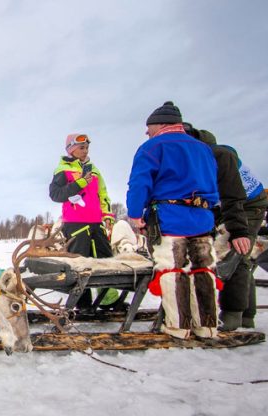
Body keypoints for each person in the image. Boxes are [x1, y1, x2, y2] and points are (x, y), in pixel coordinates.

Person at [126, 101, 220, 339]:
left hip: (170, 218)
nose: (147, 133)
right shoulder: (203, 148)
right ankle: (207, 326)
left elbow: (140, 183)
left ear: (160, 125)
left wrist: (136, 214)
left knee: (172, 269)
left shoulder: (152, 147)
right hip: (202, 219)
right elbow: (213, 183)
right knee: (203, 269)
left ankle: (179, 326)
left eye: (149, 128)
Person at [184, 124, 267, 330]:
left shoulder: (219, 156)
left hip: (247, 206)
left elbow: (232, 197)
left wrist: (238, 231)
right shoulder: (198, 157)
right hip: (230, 207)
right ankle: (246, 314)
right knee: (241, 259)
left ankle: (232, 313)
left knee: (233, 255)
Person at [49, 133, 120, 312]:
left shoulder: (94, 170)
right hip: (76, 224)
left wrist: (107, 214)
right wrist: (80, 182)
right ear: (71, 149)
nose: (85, 150)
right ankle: (83, 305)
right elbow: (55, 195)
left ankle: (108, 300)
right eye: (81, 147)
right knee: (80, 265)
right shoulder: (62, 170)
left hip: (96, 222)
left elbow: (102, 193)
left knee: (106, 261)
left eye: (87, 147)